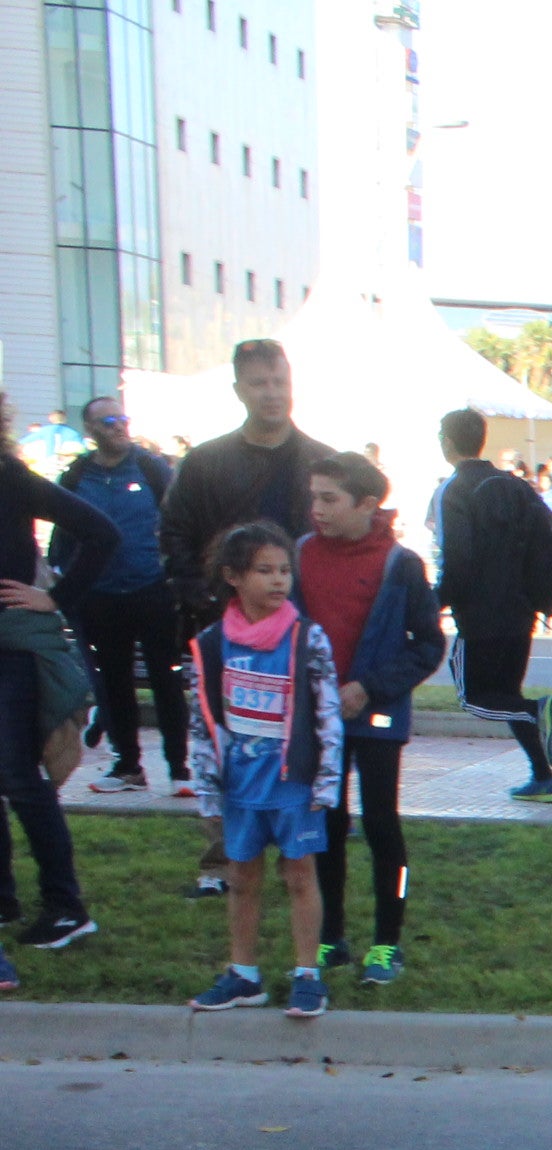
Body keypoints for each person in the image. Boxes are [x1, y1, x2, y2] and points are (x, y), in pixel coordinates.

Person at [162, 342, 329, 885]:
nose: (272, 392)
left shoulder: (318, 462)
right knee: (222, 737)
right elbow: (174, 538)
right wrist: (208, 602)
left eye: (279, 380)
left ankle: (301, 851)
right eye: (259, 383)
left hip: (297, 631)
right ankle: (225, 859)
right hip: (223, 628)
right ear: (239, 390)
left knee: (301, 733)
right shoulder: (207, 463)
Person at [294, 453, 445, 986]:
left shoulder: (400, 564)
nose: (317, 509)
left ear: (367, 503)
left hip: (376, 717)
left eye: (329, 499)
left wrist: (370, 688)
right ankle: (330, 934)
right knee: (324, 826)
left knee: (383, 826)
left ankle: (388, 942)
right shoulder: (300, 554)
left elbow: (428, 645)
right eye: (313, 496)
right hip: (316, 719)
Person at [185, 524, 345, 1019]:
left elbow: (327, 710)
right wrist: (207, 786)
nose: (279, 581)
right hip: (239, 786)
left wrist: (327, 778)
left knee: (300, 874)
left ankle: (307, 975)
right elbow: (201, 717)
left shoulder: (306, 638)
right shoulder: (211, 644)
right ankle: (243, 974)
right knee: (242, 876)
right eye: (264, 571)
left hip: (293, 784)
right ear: (233, 577)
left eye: (284, 570)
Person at [0, 404, 122, 965]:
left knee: (19, 776)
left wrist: (57, 597)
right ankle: (6, 898)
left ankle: (66, 905)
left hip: (14, 646)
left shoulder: (13, 480)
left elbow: (101, 533)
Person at [432, 407, 552, 803]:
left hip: (480, 615)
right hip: (522, 610)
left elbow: (456, 559)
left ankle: (538, 711)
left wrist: (435, 602)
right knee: (507, 694)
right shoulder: (516, 486)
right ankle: (544, 777)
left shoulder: (454, 489)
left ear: (447, 442)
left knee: (475, 697)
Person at [52, 395, 184, 797]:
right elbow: (62, 538)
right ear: (91, 431)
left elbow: (178, 520)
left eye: (122, 419)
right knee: (114, 682)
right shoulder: (76, 478)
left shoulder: (150, 467)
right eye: (108, 421)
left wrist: (176, 574)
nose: (118, 427)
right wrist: (65, 583)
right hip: (101, 597)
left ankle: (180, 768)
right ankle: (128, 766)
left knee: (166, 680)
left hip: (151, 590)